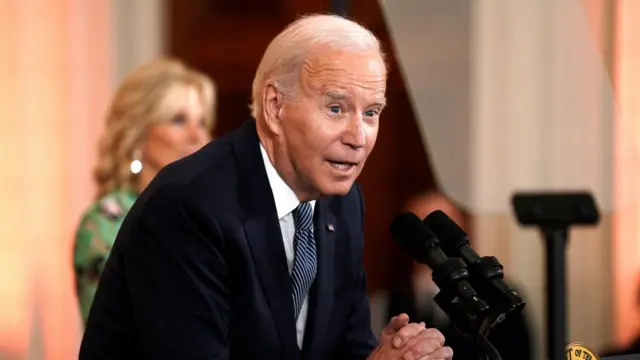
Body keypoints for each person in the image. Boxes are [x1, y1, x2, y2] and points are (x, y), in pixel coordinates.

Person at [79, 14, 454, 360]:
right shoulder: (189, 206)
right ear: (275, 107)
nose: (358, 137)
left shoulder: (342, 201)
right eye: (336, 108)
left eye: (371, 112)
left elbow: (344, 345)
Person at [73, 57, 217, 324]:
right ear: (138, 135)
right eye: (178, 120)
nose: (197, 135)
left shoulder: (212, 218)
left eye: (202, 121)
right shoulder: (105, 223)